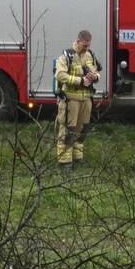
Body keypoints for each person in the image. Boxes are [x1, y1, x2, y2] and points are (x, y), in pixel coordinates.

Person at [54, 30, 102, 169]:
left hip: (86, 98)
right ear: (78, 41)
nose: (86, 48)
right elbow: (60, 75)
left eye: (88, 45)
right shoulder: (66, 56)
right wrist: (79, 81)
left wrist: (95, 77)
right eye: (84, 45)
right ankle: (64, 161)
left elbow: (97, 72)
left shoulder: (90, 55)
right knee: (68, 129)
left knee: (83, 129)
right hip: (71, 99)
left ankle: (77, 157)